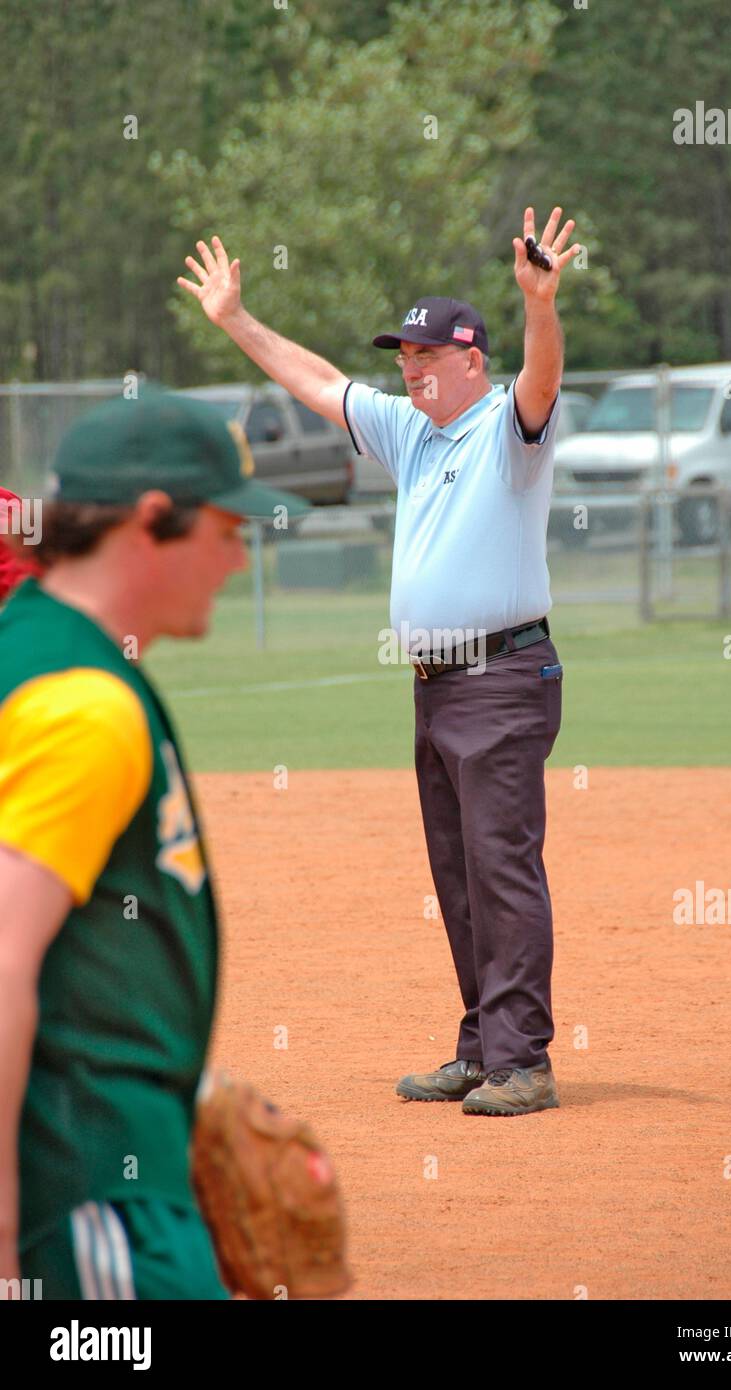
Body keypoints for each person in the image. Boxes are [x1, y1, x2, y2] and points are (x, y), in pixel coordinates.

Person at [178, 206, 579, 1117]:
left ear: (472, 362)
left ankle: (525, 1063)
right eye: (404, 356)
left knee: (502, 867)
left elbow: (544, 379)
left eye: (426, 356)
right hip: (437, 688)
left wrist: (539, 304)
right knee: (459, 871)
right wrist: (236, 320)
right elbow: (319, 382)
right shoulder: (411, 433)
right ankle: (484, 1049)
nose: (409, 368)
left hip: (504, 677)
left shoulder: (508, 431)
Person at [0, 388, 297, 1298]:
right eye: (224, 529)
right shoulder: (84, 704)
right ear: (153, 521)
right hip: (87, 1198)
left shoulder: (40, 649)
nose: (237, 559)